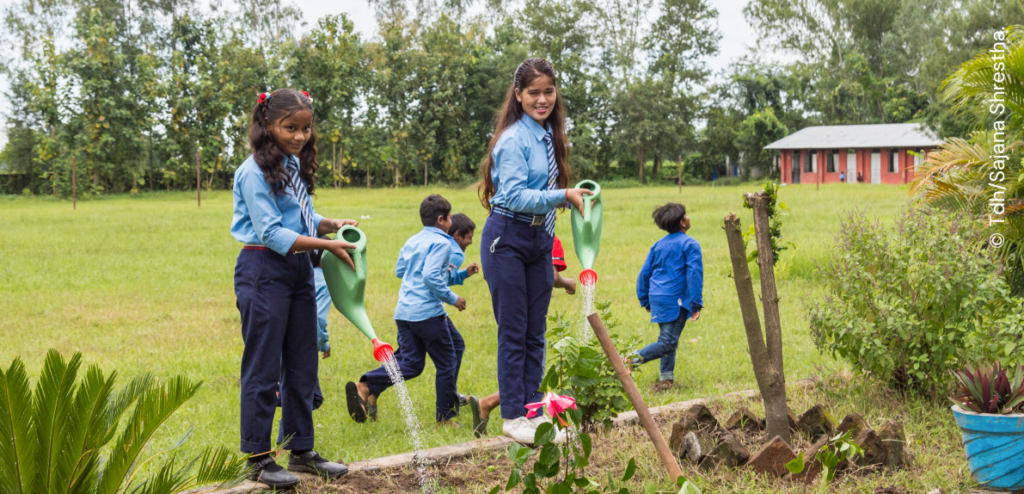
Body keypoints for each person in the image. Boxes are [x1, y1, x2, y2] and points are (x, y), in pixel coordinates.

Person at [231, 88, 354, 488]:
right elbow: (271, 232)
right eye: (290, 128)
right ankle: (258, 456)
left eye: (305, 129)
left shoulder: (291, 165)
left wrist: (327, 224)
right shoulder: (252, 171)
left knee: (303, 364)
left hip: (299, 269)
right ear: (268, 125)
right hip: (263, 268)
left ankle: (302, 451)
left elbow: (298, 215)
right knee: (264, 366)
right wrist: (328, 246)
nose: (300, 137)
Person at [477, 57, 593, 444]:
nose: (542, 99)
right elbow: (511, 195)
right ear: (518, 95)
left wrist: (570, 201)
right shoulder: (513, 139)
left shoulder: (547, 135)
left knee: (535, 333)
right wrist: (563, 194)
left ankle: (534, 412)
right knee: (514, 331)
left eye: (548, 91)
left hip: (539, 240)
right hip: (507, 238)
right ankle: (512, 416)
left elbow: (541, 197)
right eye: (533, 93)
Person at [345, 195, 467, 426]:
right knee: (447, 363)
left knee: (411, 364)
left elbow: (401, 270)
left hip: (404, 312)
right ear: (441, 219)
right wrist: (453, 298)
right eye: (450, 217)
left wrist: (437, 268)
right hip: (428, 314)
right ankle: (445, 418)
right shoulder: (441, 243)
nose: (451, 221)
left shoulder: (412, 240)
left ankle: (366, 385)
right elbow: (430, 276)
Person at [468, 234, 575, 438]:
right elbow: (552, 277)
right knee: (529, 360)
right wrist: (568, 282)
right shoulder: (550, 239)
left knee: (524, 357)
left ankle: (491, 404)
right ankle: (503, 410)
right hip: (528, 317)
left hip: (519, 310)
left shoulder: (500, 237)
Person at [626, 203, 703, 392]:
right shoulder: (690, 244)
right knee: (667, 342)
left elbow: (644, 274)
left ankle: (666, 379)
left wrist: (645, 299)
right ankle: (631, 360)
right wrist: (696, 303)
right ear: (682, 222)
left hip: (657, 297)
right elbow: (694, 274)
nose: (689, 217)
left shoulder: (658, 245)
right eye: (687, 215)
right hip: (674, 299)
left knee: (668, 338)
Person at [445, 213, 481, 408]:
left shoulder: (439, 242)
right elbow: (437, 280)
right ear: (457, 235)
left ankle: (369, 386)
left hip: (412, 306)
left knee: (410, 359)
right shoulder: (456, 252)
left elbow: (443, 276)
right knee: (455, 347)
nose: (470, 242)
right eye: (469, 238)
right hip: (428, 310)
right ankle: (449, 399)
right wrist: (454, 299)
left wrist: (463, 274)